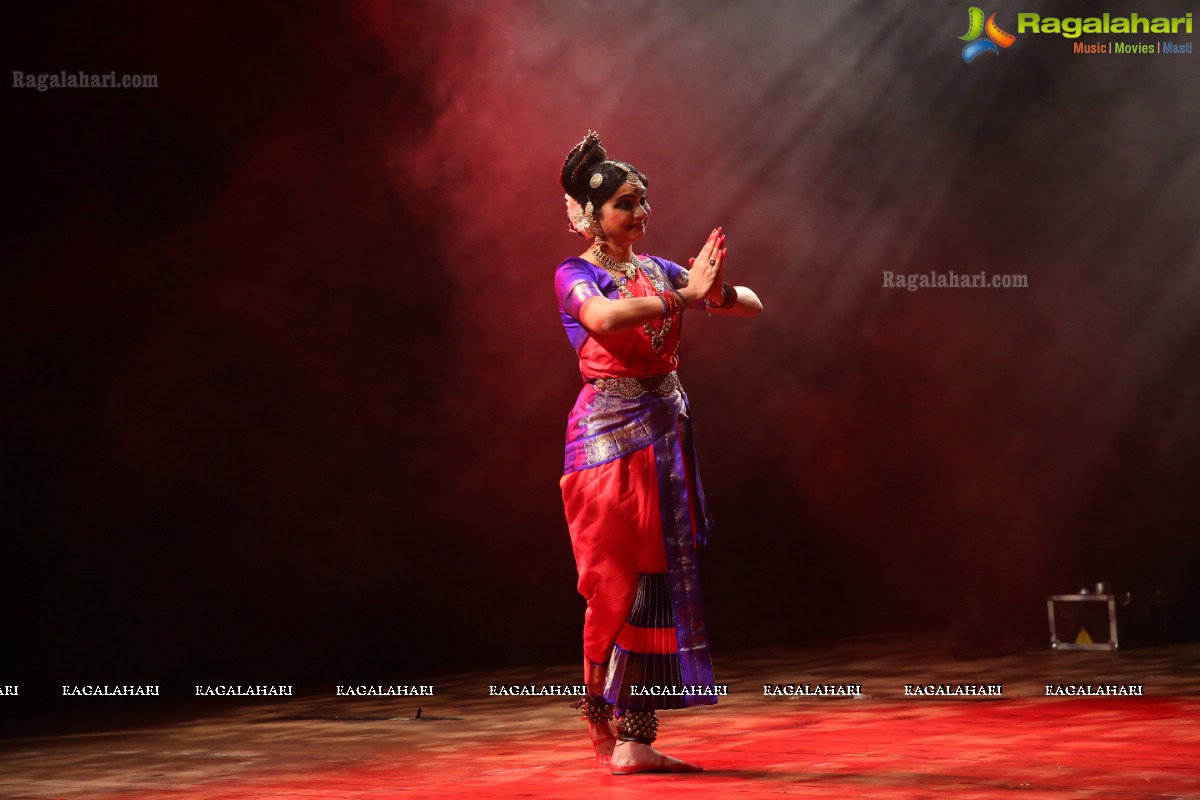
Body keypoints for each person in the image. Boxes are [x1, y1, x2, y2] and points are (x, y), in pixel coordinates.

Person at [554, 131, 762, 775]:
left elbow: (751, 305)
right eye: (624, 204)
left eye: (642, 200)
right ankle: (596, 708)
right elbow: (602, 321)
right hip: (606, 445)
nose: (639, 213)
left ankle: (636, 737)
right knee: (612, 586)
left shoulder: (659, 269)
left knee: (657, 584)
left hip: (664, 438)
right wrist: (686, 297)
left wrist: (716, 291)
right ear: (592, 216)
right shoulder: (575, 274)